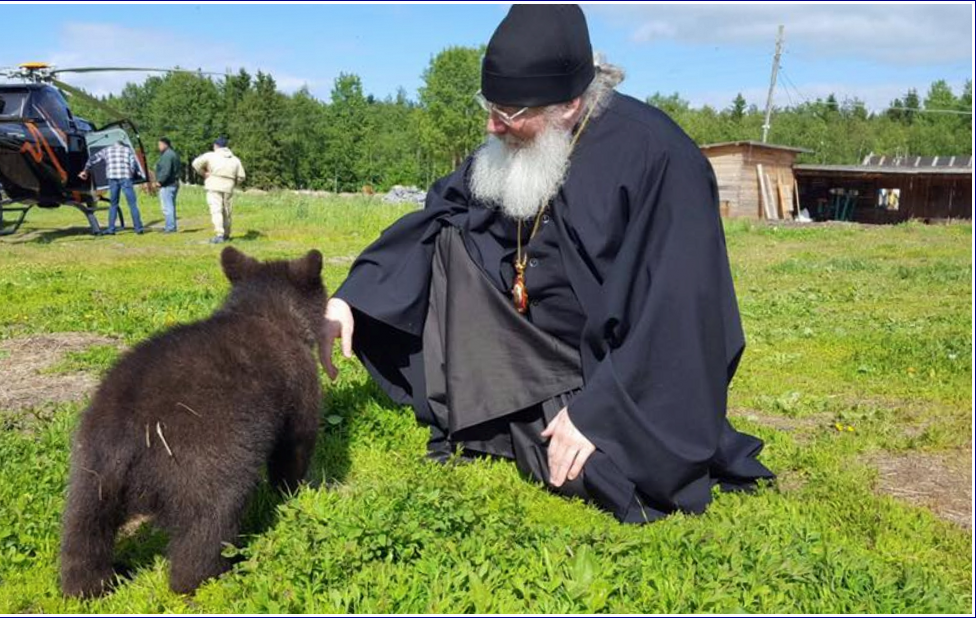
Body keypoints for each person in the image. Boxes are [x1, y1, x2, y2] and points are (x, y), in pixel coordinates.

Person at [320, 4, 773, 523]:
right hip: (525, 342)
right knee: (448, 241)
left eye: (509, 114)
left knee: (600, 474)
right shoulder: (511, 139)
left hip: (607, 369)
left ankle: (540, 420)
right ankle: (495, 413)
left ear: (570, 104)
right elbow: (443, 210)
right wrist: (354, 297)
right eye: (489, 107)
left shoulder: (659, 158)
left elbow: (681, 313)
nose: (493, 127)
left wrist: (597, 416)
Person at [79, 139, 145, 235]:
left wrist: (85, 170)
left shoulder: (107, 150)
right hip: (125, 178)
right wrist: (132, 172)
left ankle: (111, 229)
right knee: (132, 204)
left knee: (113, 204)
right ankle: (138, 229)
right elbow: (133, 164)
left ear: (113, 144)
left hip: (112, 178)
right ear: (121, 144)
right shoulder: (127, 150)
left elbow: (92, 159)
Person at [191, 137, 245, 244]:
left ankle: (219, 235)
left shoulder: (211, 155)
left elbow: (195, 163)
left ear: (216, 145)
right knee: (227, 211)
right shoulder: (235, 159)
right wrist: (233, 183)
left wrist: (204, 173)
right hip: (228, 186)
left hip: (214, 184)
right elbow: (241, 177)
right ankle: (227, 234)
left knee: (216, 210)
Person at [154, 137, 182, 233]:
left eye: (160, 144)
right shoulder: (172, 154)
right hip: (173, 183)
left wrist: (159, 182)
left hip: (167, 184)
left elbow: (166, 171)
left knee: (167, 207)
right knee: (170, 206)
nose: (159, 147)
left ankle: (170, 227)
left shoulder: (167, 155)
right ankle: (170, 226)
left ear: (165, 144)